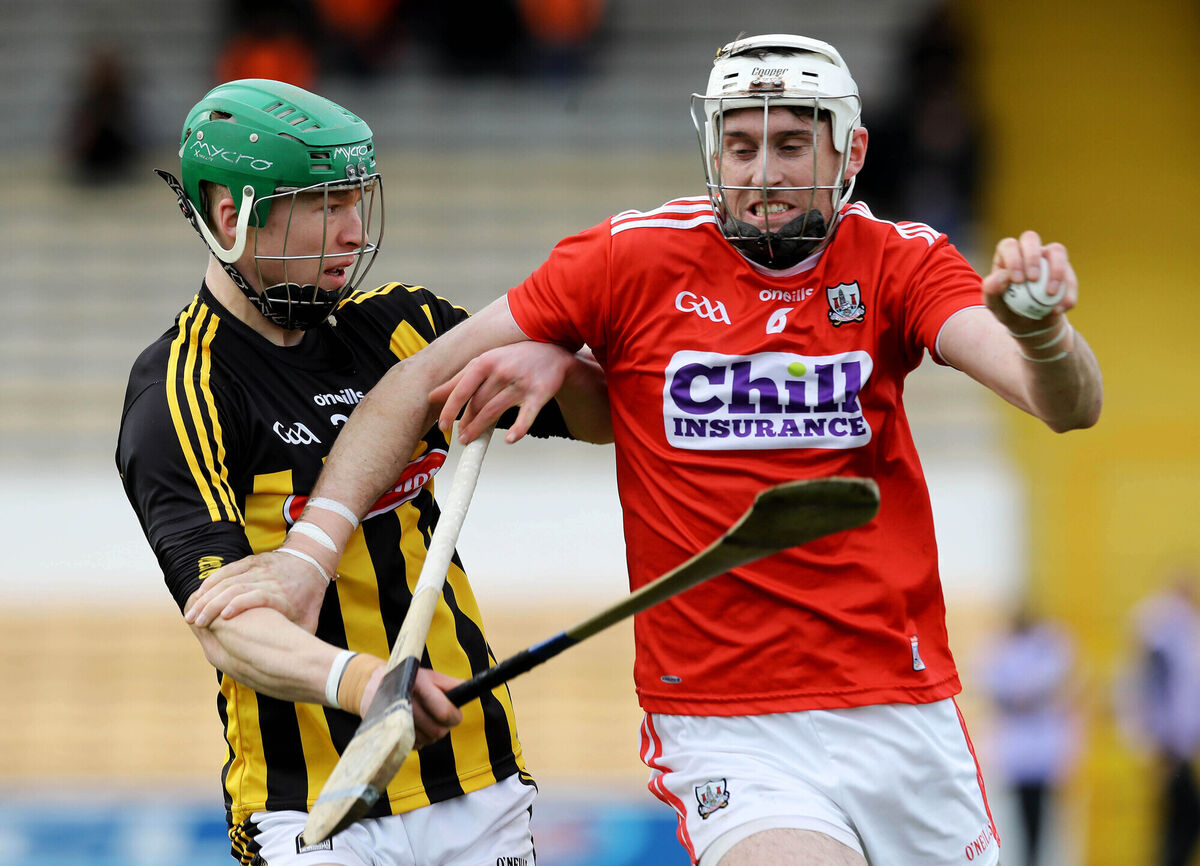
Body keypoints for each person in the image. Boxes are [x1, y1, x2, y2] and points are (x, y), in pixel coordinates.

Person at [188, 35, 1104, 865]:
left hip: (902, 709)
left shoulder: (899, 262)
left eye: (792, 145)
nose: (763, 172)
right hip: (727, 725)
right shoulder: (629, 259)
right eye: (741, 146)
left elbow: (1066, 406)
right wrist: (311, 554)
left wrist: (1044, 337)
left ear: (848, 153)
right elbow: (408, 386)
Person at [116, 78, 610, 866]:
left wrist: (554, 360)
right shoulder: (182, 392)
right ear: (229, 215)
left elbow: (602, 420)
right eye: (323, 206)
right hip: (310, 803)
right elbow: (227, 627)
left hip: (474, 780)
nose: (352, 232)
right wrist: (363, 682)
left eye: (356, 202)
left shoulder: (405, 326)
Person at [976, 604, 1082, 866]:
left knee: (1042, 820)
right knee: (1020, 819)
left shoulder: (1049, 644)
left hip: (1042, 749)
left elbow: (1060, 682)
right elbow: (991, 686)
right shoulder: (999, 647)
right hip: (1018, 750)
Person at [1115, 571, 1200, 866]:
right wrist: (1162, 736)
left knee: (1176, 814)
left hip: (1172, 740)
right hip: (1169, 741)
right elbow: (1158, 685)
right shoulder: (1165, 627)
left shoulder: (1178, 625)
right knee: (1184, 812)